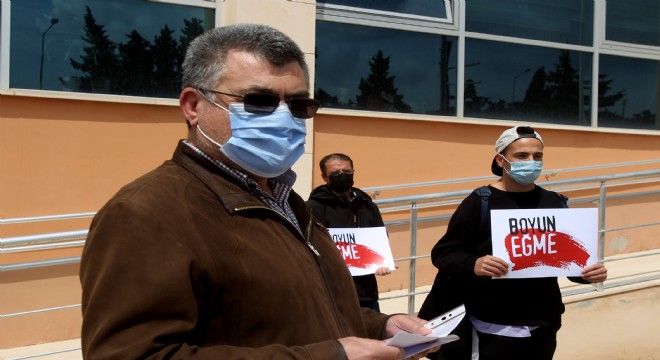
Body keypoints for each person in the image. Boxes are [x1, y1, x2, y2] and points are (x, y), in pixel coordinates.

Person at [79, 23, 438, 359]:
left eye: (298, 105)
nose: (283, 118)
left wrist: (379, 327)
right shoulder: (144, 213)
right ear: (193, 106)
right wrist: (331, 356)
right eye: (258, 101)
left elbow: (295, 310)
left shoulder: (286, 201)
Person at [426, 125, 608, 360]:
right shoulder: (479, 202)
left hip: (543, 324)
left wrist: (588, 274)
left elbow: (566, 262)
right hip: (492, 326)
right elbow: (443, 253)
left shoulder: (555, 202)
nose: (531, 161)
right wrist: (474, 264)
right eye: (521, 156)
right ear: (501, 160)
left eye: (537, 156)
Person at [307, 153, 392, 312]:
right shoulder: (313, 208)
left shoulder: (367, 205)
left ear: (353, 171)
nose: (342, 176)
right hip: (332, 294)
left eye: (346, 172)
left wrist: (382, 262)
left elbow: (380, 240)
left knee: (372, 334)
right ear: (324, 177)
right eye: (335, 173)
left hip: (366, 292)